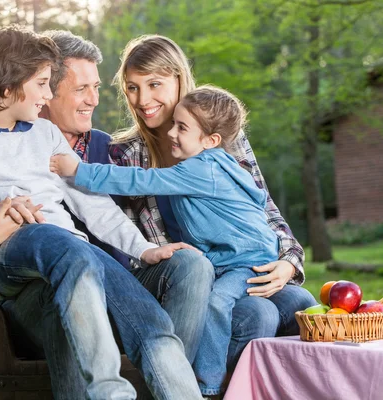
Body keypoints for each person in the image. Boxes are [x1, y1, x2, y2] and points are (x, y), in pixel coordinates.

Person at [0, 26, 204, 400]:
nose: (49, 95)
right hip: (9, 256)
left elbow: (92, 203)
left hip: (74, 254)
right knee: (50, 235)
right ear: (7, 89)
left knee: (151, 324)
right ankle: (110, 392)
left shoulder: (45, 133)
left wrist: (143, 249)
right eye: (42, 84)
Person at [109, 35, 317, 397]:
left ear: (179, 79)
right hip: (185, 284)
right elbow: (128, 245)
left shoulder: (225, 141)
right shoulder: (126, 154)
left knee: (300, 303)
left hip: (240, 269)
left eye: (154, 84)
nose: (142, 100)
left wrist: (288, 262)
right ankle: (208, 391)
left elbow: (265, 211)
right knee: (260, 316)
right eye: (132, 87)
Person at [51, 84, 287, 394]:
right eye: (174, 123)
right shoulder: (223, 164)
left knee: (216, 303)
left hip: (247, 264)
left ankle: (205, 387)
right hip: (232, 258)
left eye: (182, 127)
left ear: (210, 140)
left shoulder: (203, 168)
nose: (172, 132)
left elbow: (141, 180)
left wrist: (79, 170)